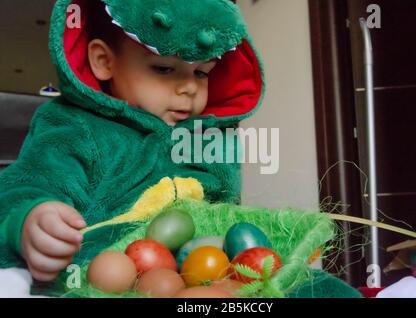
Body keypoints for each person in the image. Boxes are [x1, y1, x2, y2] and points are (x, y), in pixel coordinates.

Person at [0, 0, 264, 282]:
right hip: (91, 279)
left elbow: (227, 215)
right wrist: (29, 220)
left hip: (197, 282)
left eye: (201, 72)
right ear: (104, 61)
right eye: (163, 68)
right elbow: (28, 185)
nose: (189, 87)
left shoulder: (211, 139)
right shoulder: (75, 126)